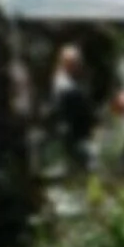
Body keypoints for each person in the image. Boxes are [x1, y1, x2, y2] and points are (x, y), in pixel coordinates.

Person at [47, 42, 94, 173]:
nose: (79, 65)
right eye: (76, 62)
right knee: (82, 164)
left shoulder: (71, 80)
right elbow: (70, 109)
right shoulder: (64, 83)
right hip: (73, 131)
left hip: (77, 130)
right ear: (68, 63)